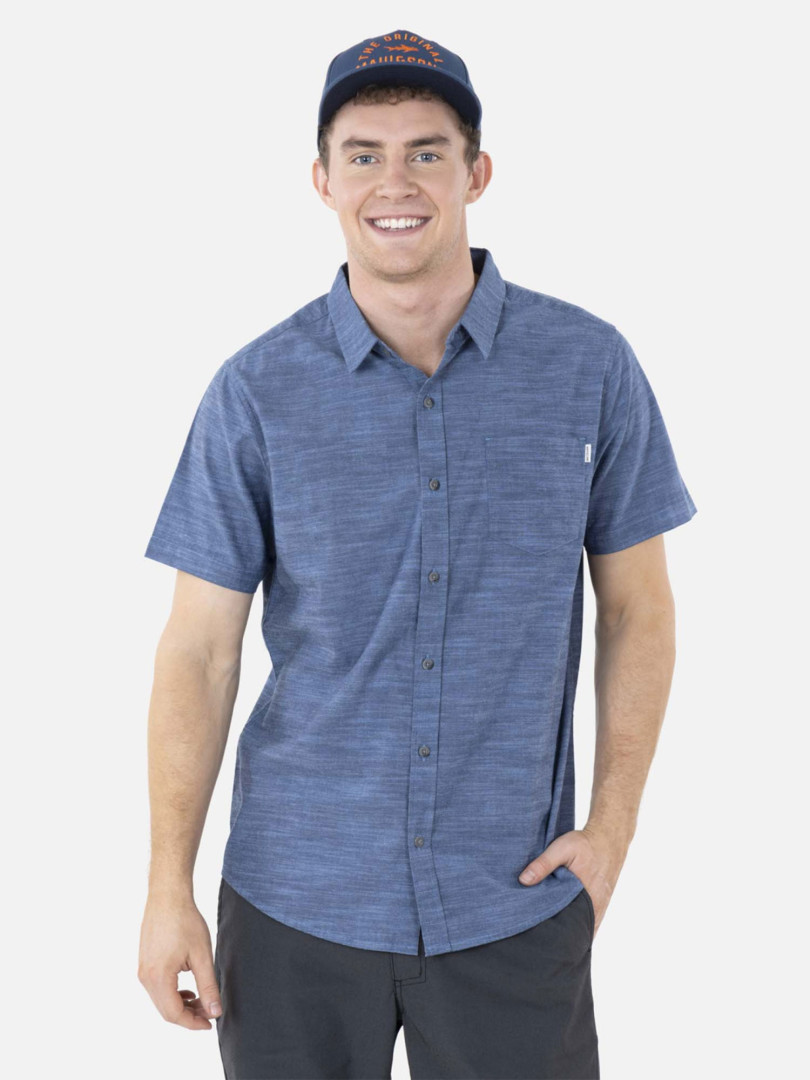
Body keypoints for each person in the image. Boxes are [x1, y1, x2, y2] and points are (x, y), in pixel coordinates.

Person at [137, 27, 697, 1080]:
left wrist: (612, 831)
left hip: (514, 902)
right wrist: (169, 885)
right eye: (364, 154)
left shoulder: (589, 368)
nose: (394, 183)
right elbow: (199, 651)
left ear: (476, 173)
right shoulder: (255, 391)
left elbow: (639, 610)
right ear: (323, 181)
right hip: (294, 905)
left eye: (426, 152)